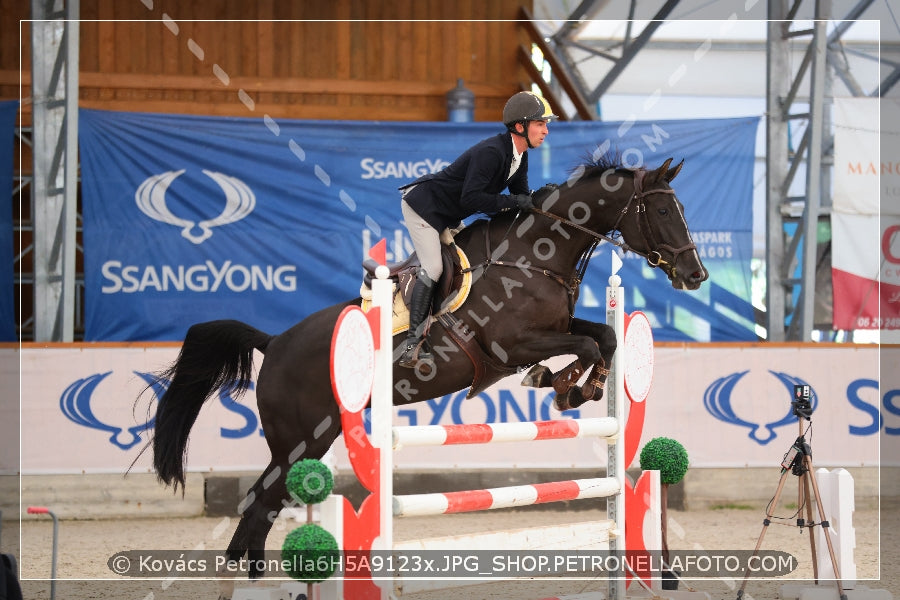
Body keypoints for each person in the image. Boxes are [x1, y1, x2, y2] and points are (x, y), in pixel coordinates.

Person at [397, 90, 557, 370]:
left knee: (468, 261)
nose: (545, 130)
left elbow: (520, 197)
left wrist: (541, 198)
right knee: (434, 268)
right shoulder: (492, 152)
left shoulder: (519, 155)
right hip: (425, 207)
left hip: (449, 212)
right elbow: (472, 199)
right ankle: (413, 343)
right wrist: (514, 201)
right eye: (540, 124)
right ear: (520, 127)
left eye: (546, 125)